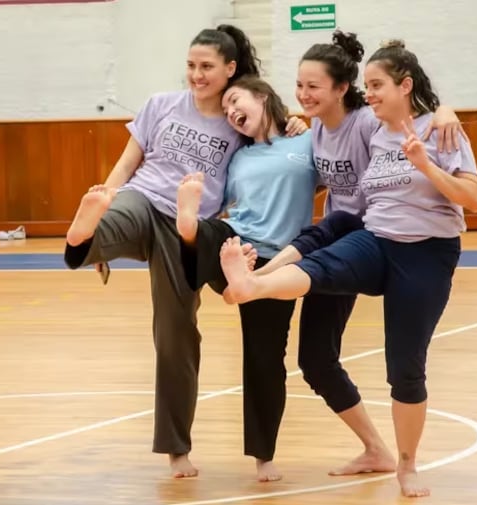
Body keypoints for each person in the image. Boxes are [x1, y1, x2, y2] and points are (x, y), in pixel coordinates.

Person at [217, 39, 477, 498]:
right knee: (319, 280)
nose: (302, 92)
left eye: (376, 85)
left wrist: (440, 118)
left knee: (404, 366)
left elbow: (474, 200)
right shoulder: (357, 131)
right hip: (370, 234)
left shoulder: (404, 127)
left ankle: (406, 463)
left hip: (422, 250)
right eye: (297, 85)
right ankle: (253, 283)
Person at [62, 25, 306, 478]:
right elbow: (128, 161)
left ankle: (177, 449)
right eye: (192, 66)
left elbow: (275, 139)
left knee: (175, 335)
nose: (196, 75)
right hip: (143, 199)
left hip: (185, 227)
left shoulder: (237, 117)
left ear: (230, 69)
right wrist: (106, 199)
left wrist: (295, 121)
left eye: (207, 67)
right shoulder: (160, 105)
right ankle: (88, 233)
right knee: (114, 214)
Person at [175, 75, 317, 482]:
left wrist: (301, 121)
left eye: (236, 100)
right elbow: (224, 205)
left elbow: (337, 173)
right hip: (235, 246)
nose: (231, 112)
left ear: (264, 97)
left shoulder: (305, 143)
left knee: (265, 359)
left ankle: (264, 457)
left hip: (276, 265)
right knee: (209, 234)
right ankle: (191, 231)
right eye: (226, 111)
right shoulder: (236, 157)